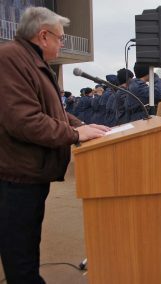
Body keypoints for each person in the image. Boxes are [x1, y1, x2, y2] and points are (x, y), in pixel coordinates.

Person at [0, 7, 110, 283]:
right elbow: (24, 120)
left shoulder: (30, 61)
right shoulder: (10, 60)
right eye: (61, 38)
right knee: (20, 253)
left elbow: (53, 112)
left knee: (26, 245)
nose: (63, 43)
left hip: (28, 174)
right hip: (15, 177)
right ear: (43, 36)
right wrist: (74, 135)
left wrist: (80, 125)